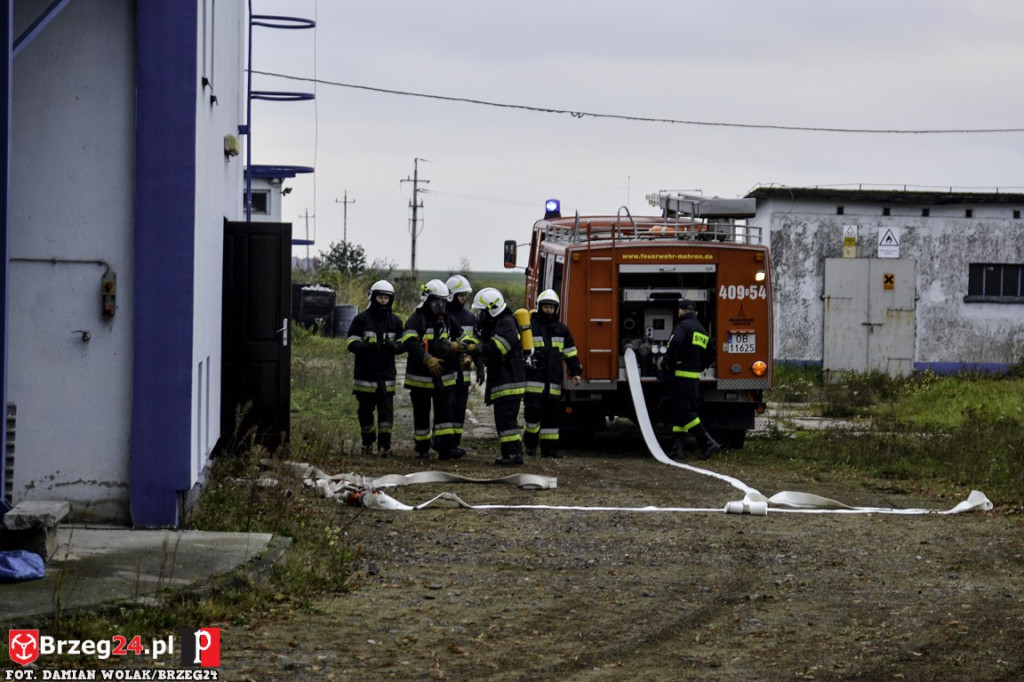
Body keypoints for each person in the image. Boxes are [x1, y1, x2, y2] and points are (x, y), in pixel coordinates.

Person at [400, 279, 464, 460]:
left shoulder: (449, 320)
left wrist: (461, 350)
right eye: (436, 301)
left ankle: (445, 449)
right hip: (420, 378)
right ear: (427, 299)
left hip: (444, 378)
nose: (440, 305)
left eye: (443, 301)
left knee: (445, 414)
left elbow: (465, 338)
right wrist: (426, 358)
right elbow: (408, 342)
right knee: (421, 415)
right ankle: (422, 448)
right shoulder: (416, 319)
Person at [466, 287, 526, 466]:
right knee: (502, 419)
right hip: (503, 380)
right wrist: (468, 345)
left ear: (491, 309)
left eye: (482, 311)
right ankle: (509, 454)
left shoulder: (507, 323)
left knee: (507, 419)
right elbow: (481, 340)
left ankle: (514, 454)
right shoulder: (494, 324)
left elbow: (498, 347)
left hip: (510, 381)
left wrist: (478, 348)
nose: (480, 315)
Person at [345, 280, 405, 457]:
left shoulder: (395, 322)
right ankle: (368, 441)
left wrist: (394, 347)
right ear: (373, 297)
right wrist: (366, 348)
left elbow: (403, 344)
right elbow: (351, 342)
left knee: (386, 414)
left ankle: (385, 446)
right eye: (380, 297)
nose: (383, 301)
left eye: (386, 298)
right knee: (364, 411)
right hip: (365, 375)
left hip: (386, 375)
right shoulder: (361, 320)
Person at [523, 289, 583, 458]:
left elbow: (570, 353)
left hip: (553, 383)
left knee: (552, 419)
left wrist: (576, 372)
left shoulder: (561, 329)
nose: (549, 310)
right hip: (534, 382)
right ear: (539, 307)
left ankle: (550, 450)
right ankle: (531, 445)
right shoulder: (530, 327)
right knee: (532, 415)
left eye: (551, 307)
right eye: (546, 307)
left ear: (556, 309)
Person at [661, 299, 721, 460]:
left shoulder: (682, 326)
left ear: (680, 311)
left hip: (680, 378)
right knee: (678, 413)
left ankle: (708, 442)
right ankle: (677, 449)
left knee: (685, 412)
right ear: (696, 313)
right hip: (693, 378)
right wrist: (700, 366)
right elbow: (711, 353)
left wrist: (667, 363)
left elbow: (675, 345)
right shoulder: (701, 330)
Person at [445, 274, 484, 457]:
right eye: (460, 295)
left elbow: (476, 344)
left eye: (465, 296)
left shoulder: (470, 318)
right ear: (451, 296)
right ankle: (446, 445)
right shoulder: (442, 316)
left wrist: (480, 366)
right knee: (447, 408)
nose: (463, 299)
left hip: (464, 374)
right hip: (446, 371)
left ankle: (455, 444)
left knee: (460, 409)